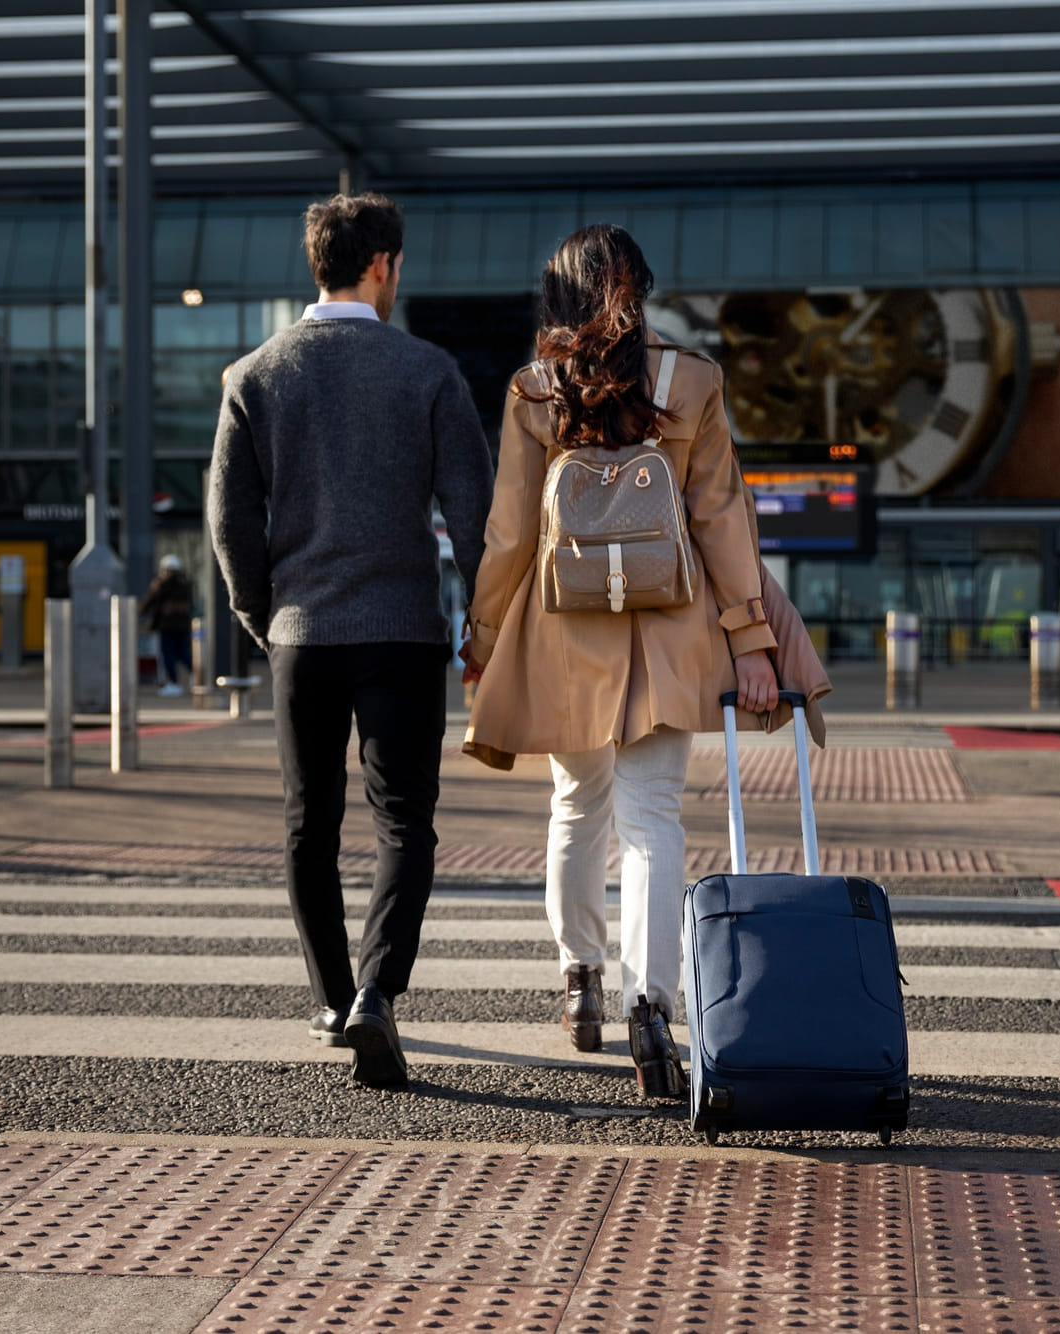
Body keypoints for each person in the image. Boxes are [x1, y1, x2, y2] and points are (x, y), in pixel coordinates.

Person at [461, 223, 831, 1099]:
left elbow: (510, 531)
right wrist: (751, 640)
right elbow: (722, 519)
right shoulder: (691, 380)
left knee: (576, 806)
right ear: (641, 288)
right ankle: (651, 1008)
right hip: (670, 630)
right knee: (655, 820)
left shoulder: (535, 388)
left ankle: (580, 978)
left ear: (558, 296)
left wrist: (483, 636)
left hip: (565, 633)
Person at [209, 193, 494, 1088]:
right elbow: (475, 514)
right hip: (402, 632)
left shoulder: (254, 375)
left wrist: (265, 616)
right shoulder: (428, 371)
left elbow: (229, 522)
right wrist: (483, 622)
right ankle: (378, 989)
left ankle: (333, 999)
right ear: (382, 266)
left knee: (309, 824)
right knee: (404, 821)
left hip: (301, 632)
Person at [144, 555, 195, 696]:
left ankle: (173, 683)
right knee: (184, 653)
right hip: (183, 626)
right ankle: (196, 675)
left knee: (169, 655)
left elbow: (151, 602)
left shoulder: (162, 585)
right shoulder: (186, 584)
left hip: (167, 626)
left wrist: (141, 612)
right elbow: (190, 605)